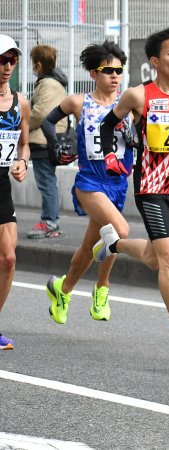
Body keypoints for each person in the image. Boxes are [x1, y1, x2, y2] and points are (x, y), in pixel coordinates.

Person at [92, 28, 169, 358]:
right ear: (155, 61)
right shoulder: (138, 95)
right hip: (150, 185)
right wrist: (110, 155)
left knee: (155, 258)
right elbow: (107, 124)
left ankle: (113, 244)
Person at [41, 41, 135, 324]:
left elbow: (146, 135)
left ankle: (63, 289)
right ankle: (102, 288)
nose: (115, 76)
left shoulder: (129, 104)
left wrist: (136, 139)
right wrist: (54, 145)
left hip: (118, 183)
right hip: (89, 181)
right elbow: (47, 121)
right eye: (108, 71)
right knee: (120, 231)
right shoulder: (79, 102)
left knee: (88, 248)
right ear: (94, 73)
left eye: (119, 70)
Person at [0, 34, 31, 350]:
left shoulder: (21, 101)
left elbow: (24, 143)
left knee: (8, 259)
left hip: (1, 185)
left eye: (12, 60)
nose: (7, 66)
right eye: (2, 59)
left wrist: (22, 162)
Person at [27, 45, 68, 239]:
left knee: (46, 183)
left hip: (44, 140)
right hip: (49, 139)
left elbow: (41, 113)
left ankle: (50, 221)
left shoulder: (48, 84)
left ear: (38, 64)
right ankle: (52, 223)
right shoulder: (54, 83)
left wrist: (22, 123)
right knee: (48, 182)